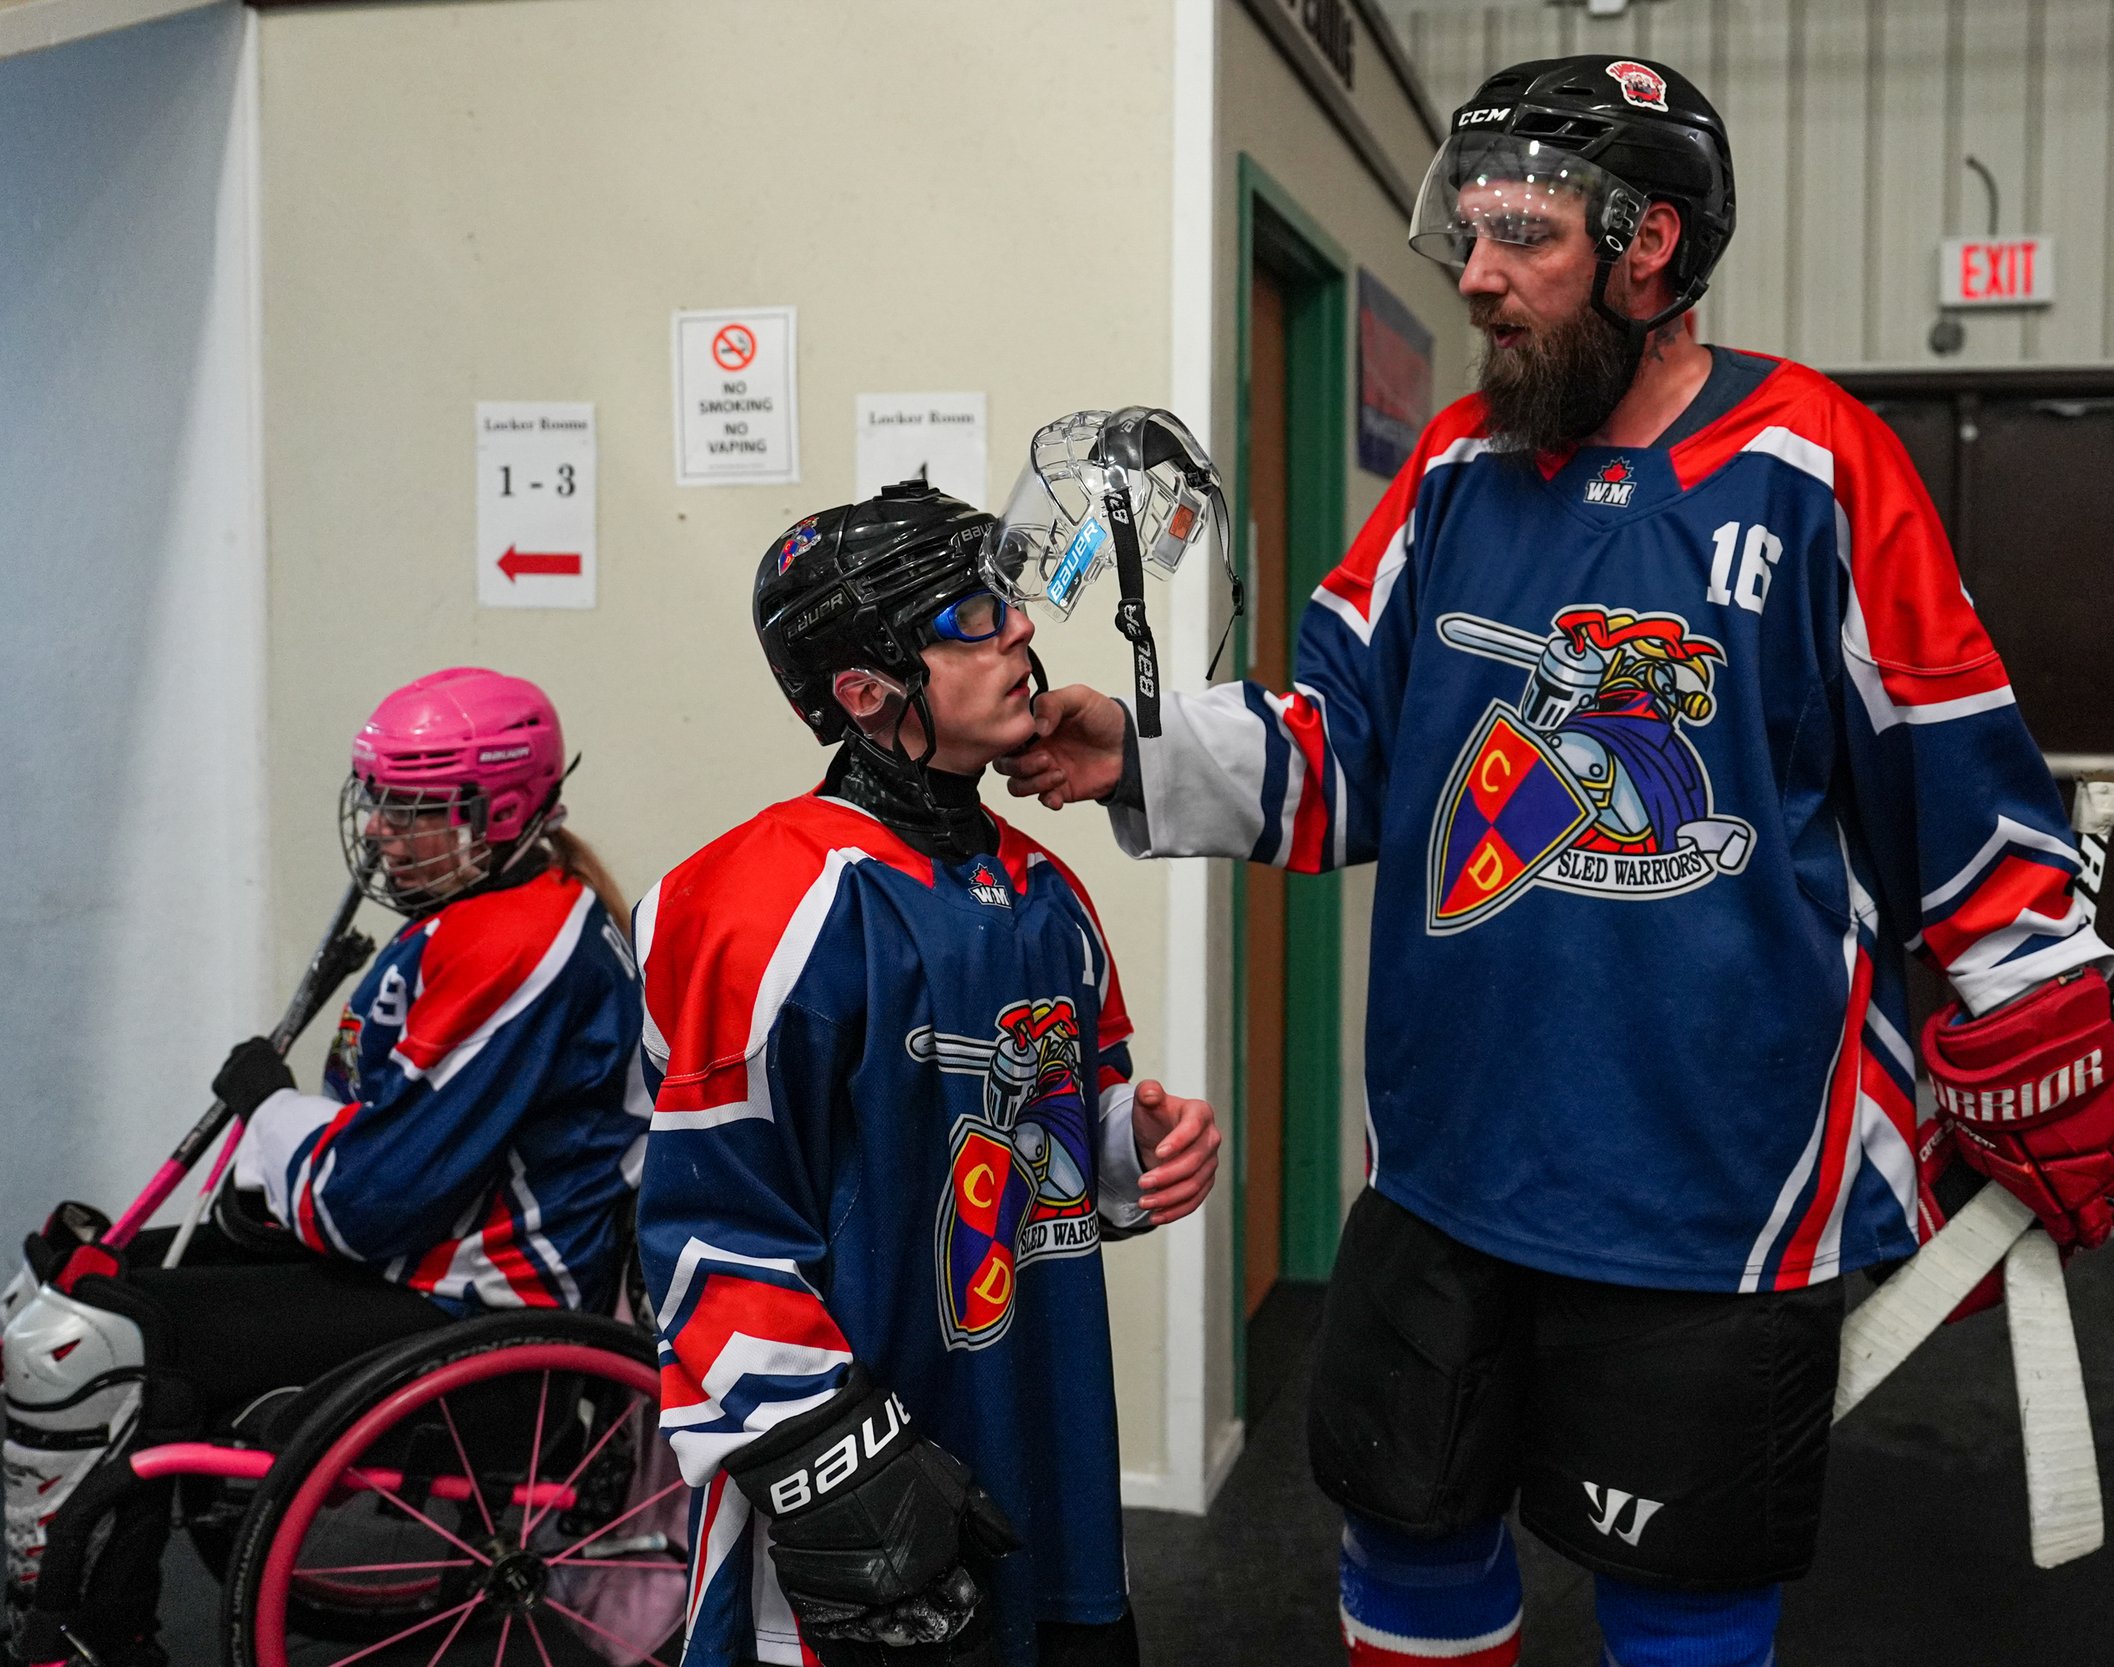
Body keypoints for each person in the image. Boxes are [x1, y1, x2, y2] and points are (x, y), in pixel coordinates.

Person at [999, 55, 2114, 1667]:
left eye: (1519, 235)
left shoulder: (1817, 466)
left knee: (1683, 1616)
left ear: (1651, 249)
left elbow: (1954, 778)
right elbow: (1347, 744)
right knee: (1405, 1561)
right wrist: (1134, 749)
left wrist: (2034, 1012)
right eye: (1463, 229)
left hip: (1714, 1190)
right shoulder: (1459, 469)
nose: (1471, 272)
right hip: (1446, 1164)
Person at [633, 480, 1221, 1667]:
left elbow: (1028, 1149)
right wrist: (832, 1465)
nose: (1014, 629)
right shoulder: (761, 901)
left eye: (1003, 598)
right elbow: (708, 1229)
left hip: (1039, 1425)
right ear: (864, 691)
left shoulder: (1048, 891)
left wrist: (1128, 1144)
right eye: (964, 614)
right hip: (874, 1466)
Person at [2, 667, 646, 1667]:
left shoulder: (523, 946)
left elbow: (368, 1198)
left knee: (90, 1338)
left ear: (502, 810)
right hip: (418, 1271)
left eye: (415, 806)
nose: (383, 830)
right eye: (380, 798)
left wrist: (271, 1109)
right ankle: (100, 1605)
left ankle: (79, 1616)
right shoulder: (478, 919)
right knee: (101, 1294)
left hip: (474, 1308)